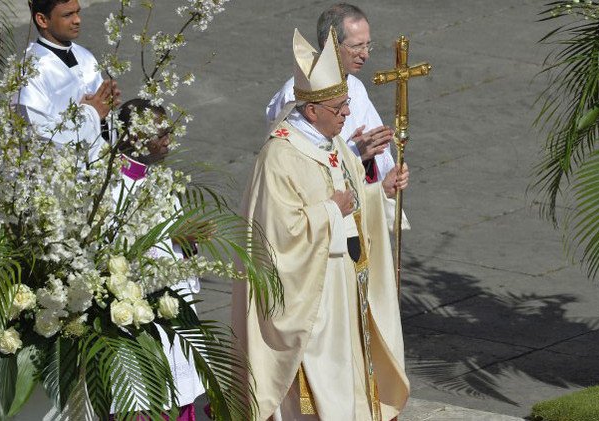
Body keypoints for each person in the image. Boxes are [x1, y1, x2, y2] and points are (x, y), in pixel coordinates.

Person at [234, 27, 410, 420]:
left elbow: (352, 197)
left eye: (346, 104)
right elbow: (278, 235)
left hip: (342, 284)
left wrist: (380, 191)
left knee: (346, 376)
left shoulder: (332, 143)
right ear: (311, 111)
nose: (347, 114)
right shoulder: (280, 157)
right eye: (339, 108)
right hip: (308, 297)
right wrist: (330, 211)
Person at [113, 98, 204, 420]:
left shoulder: (158, 178)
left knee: (178, 398)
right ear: (133, 137)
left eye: (169, 132)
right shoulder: (110, 186)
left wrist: (186, 242)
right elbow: (115, 252)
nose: (168, 140)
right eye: (161, 133)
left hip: (172, 308)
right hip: (138, 317)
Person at [266, 3, 394, 183]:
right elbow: (299, 165)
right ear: (331, 45)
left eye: (368, 45)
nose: (365, 55)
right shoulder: (298, 95)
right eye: (357, 46)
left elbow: (376, 152)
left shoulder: (356, 86)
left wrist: (385, 181)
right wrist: (356, 153)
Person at [16, 0, 120, 164]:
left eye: (77, 12)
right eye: (68, 15)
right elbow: (39, 138)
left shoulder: (84, 55)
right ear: (42, 20)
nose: (77, 20)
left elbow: (103, 113)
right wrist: (91, 113)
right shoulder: (31, 71)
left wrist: (106, 111)